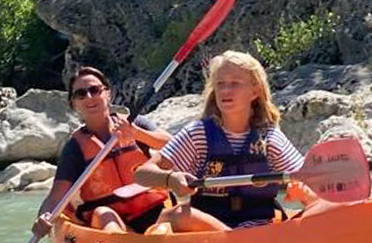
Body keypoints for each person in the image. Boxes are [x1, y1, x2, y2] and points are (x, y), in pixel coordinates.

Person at [135, 50, 316, 232]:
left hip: (260, 229)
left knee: (324, 205)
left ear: (255, 91)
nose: (225, 90)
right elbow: (143, 174)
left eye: (235, 84)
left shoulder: (269, 138)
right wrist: (170, 178)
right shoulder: (198, 134)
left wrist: (305, 191)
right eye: (220, 84)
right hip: (207, 230)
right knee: (177, 215)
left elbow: (310, 178)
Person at [31, 66, 172, 236]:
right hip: (108, 219)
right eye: (80, 94)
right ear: (74, 103)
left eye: (95, 90)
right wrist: (44, 217)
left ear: (108, 94)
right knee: (104, 214)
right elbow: (56, 196)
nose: (89, 97)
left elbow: (173, 144)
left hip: (151, 209)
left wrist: (136, 133)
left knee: (177, 217)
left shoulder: (135, 124)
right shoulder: (74, 148)